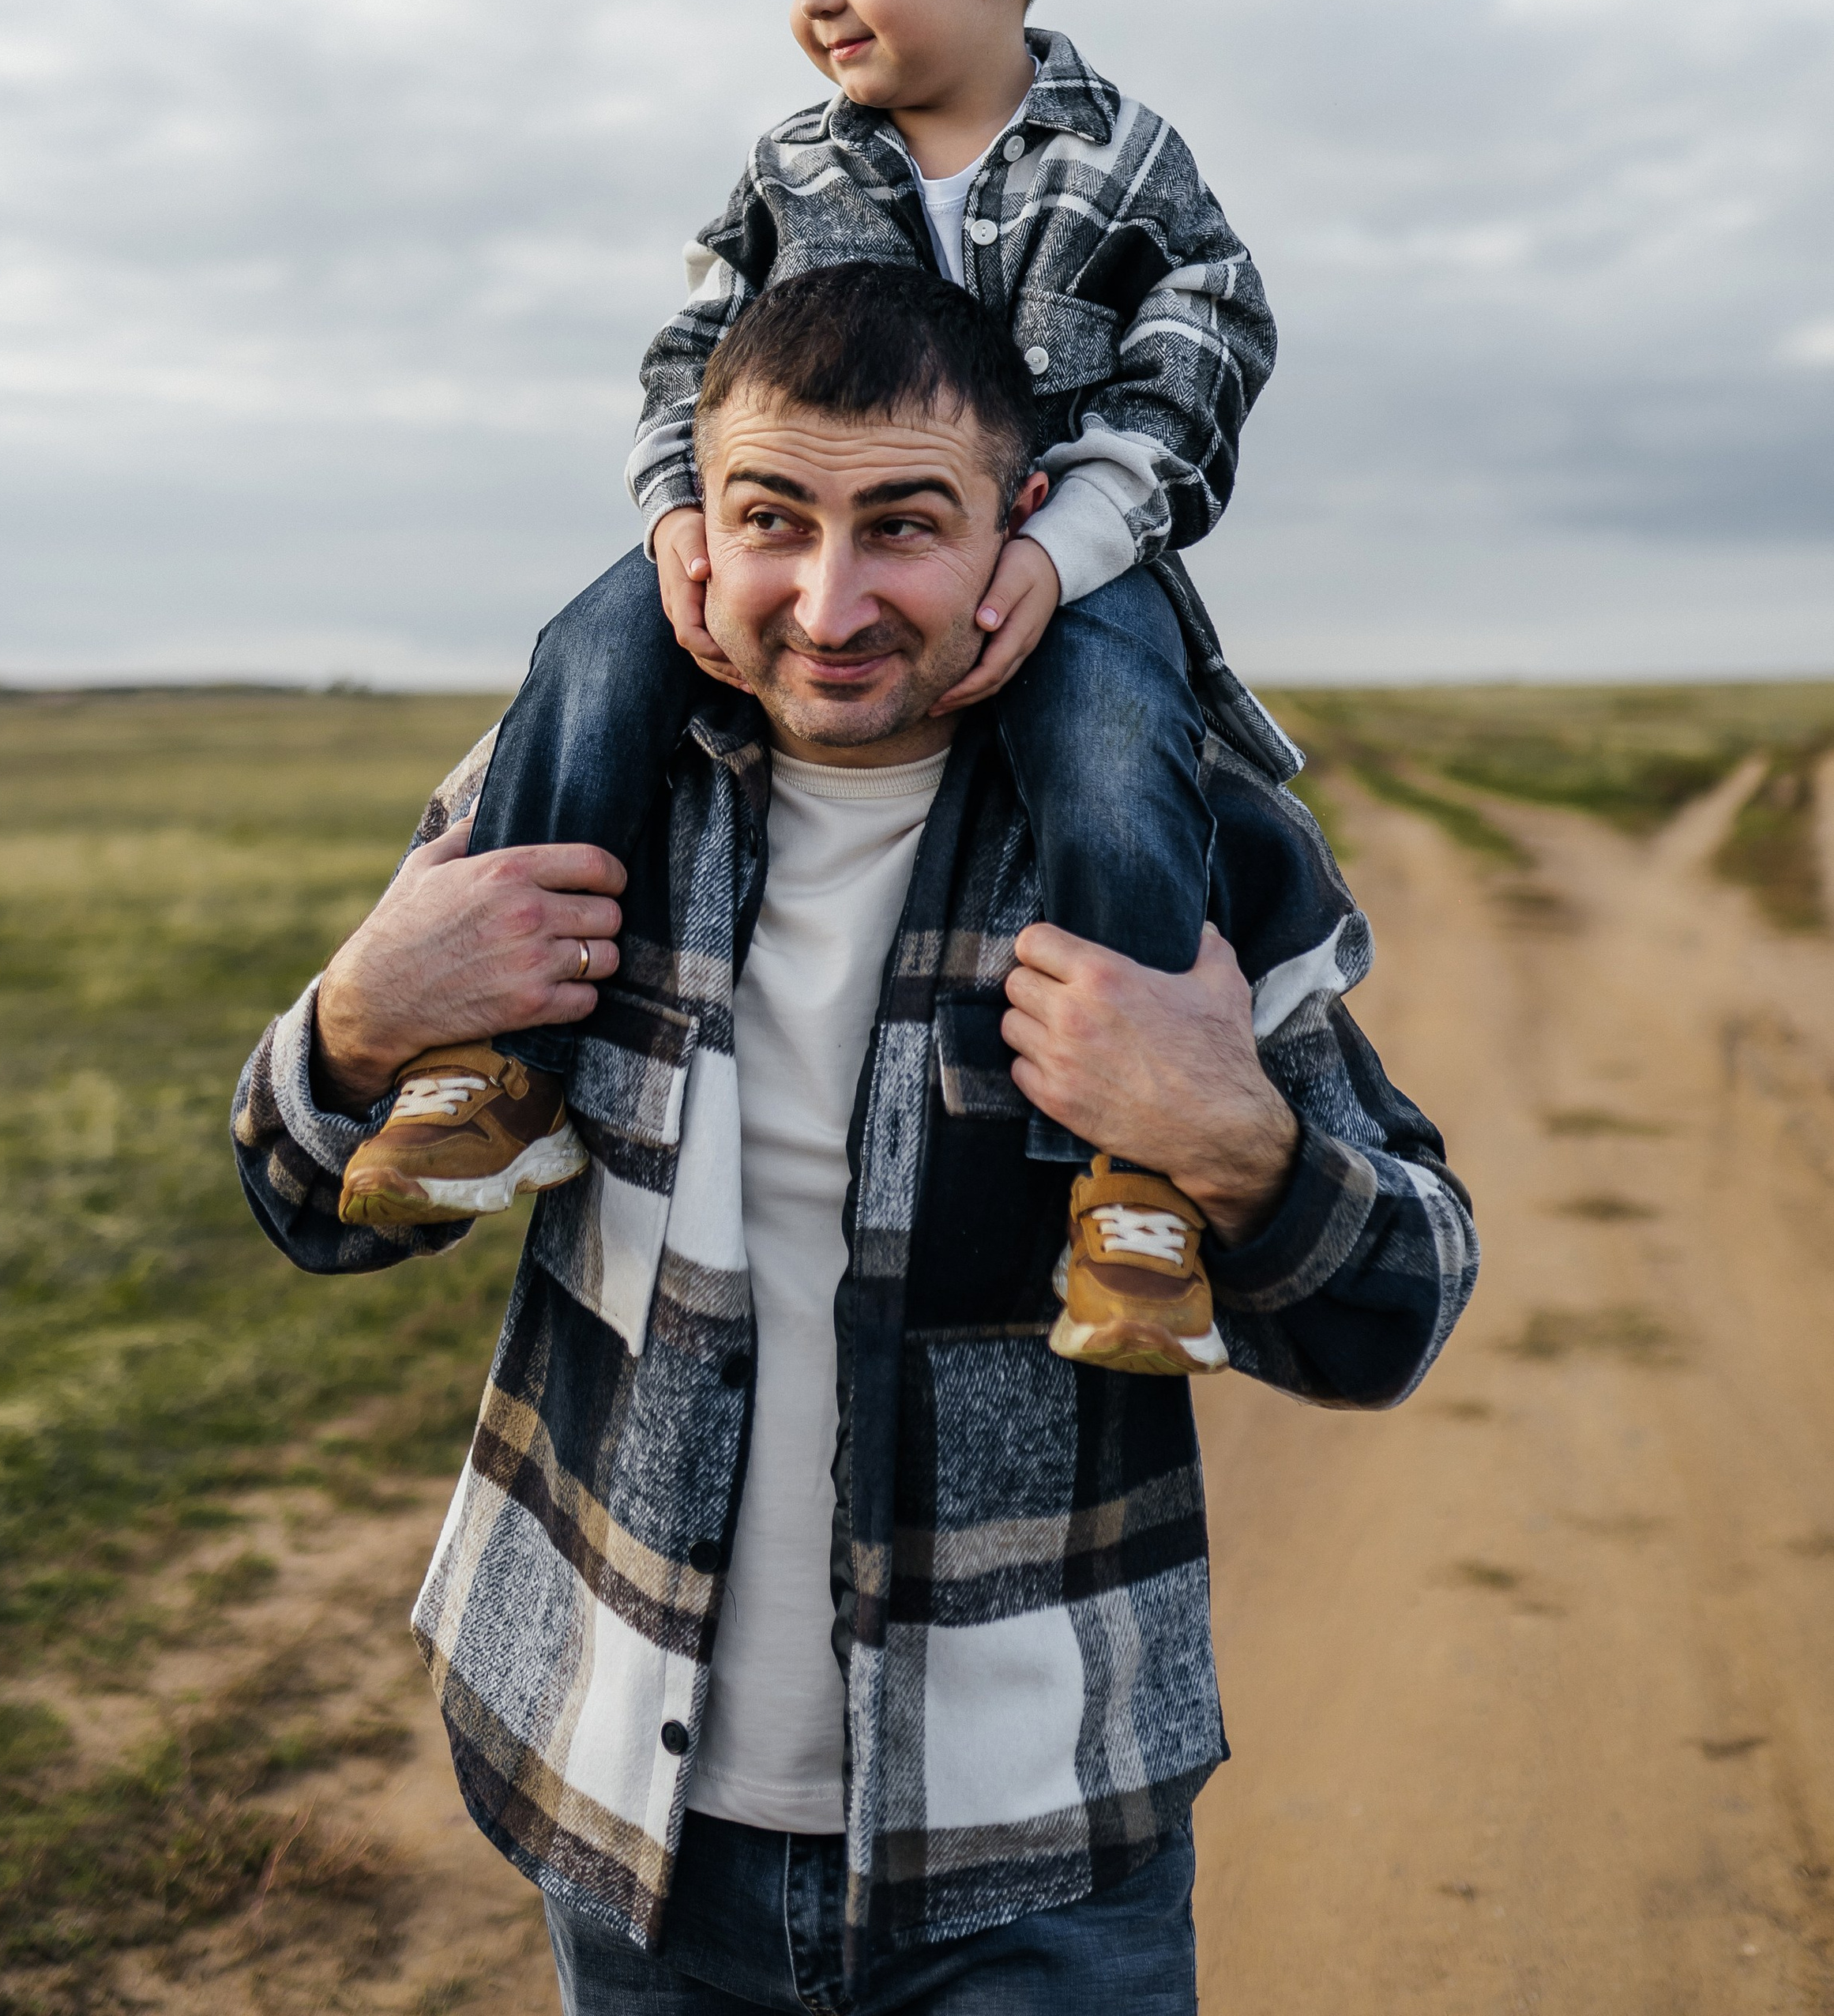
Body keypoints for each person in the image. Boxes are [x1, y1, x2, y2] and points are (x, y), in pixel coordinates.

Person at [232, 266, 1478, 2014]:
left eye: (902, 524)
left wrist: (1228, 1140)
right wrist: (358, 1017)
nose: (830, 605)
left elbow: (1396, 1314)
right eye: (772, 520)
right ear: (693, 522)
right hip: (622, 1815)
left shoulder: (1174, 848)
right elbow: (313, 1208)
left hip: (1038, 1861)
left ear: (1018, 527)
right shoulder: (576, 788)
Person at [336, 0, 1287, 1375]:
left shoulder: (1126, 162)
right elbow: (684, 360)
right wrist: (681, 518)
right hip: (772, 534)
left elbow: (1202, 359)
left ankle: (1134, 1180)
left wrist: (1067, 549)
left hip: (1068, 560)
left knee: (1114, 738)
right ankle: (494, 1062)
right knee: (592, 645)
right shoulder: (791, 167)